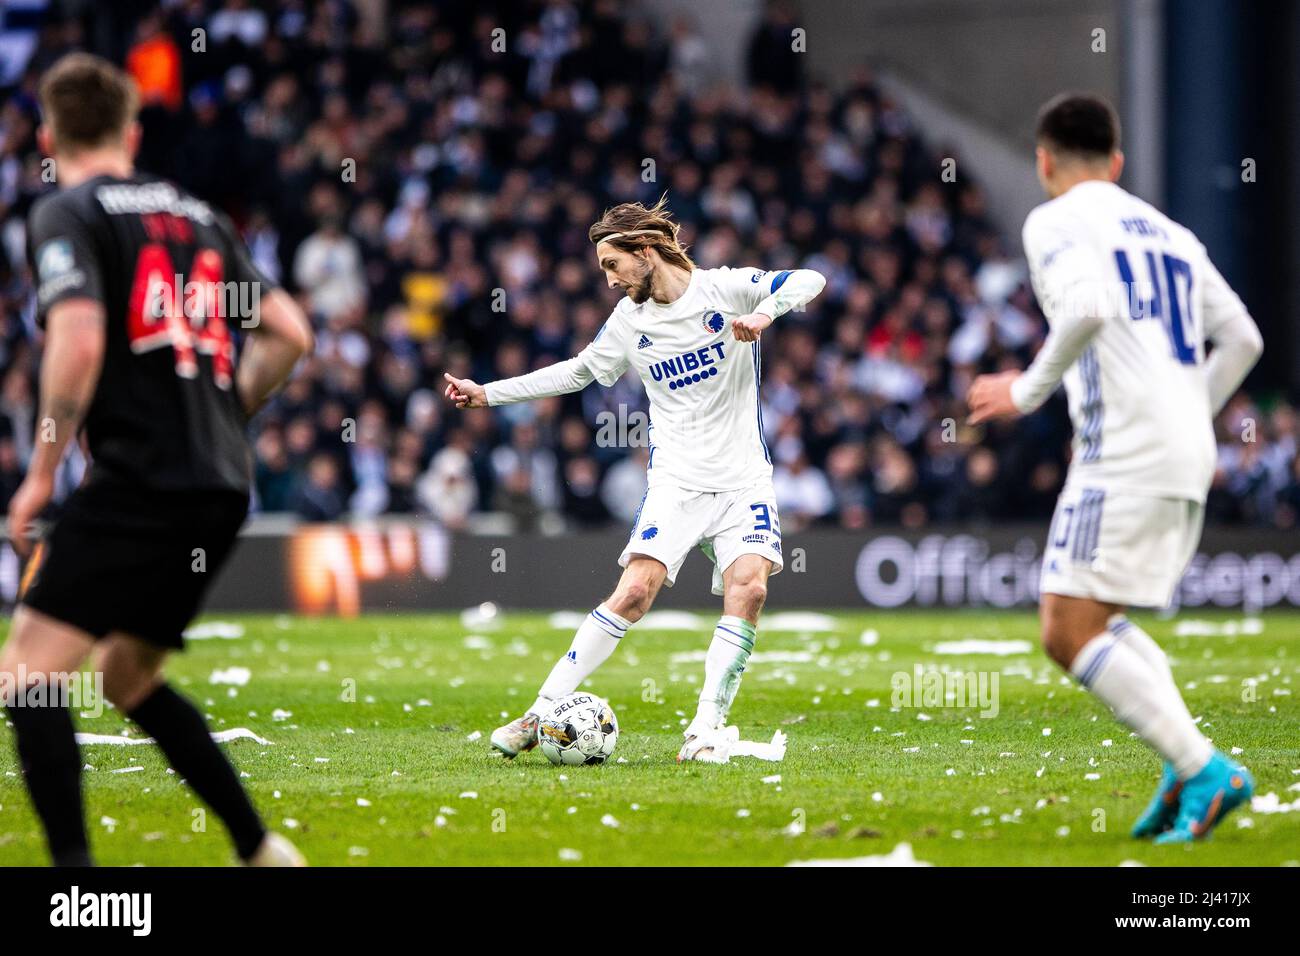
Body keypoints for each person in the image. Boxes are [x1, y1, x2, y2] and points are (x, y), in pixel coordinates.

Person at [0, 53, 314, 866]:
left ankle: (74, 880)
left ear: (48, 135)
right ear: (132, 132)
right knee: (126, 677)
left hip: (143, 476)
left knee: (29, 673)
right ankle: (260, 849)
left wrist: (40, 471)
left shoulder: (69, 212)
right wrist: (225, 410)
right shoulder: (198, 217)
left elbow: (77, 340)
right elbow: (290, 332)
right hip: (220, 482)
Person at [967, 93, 1264, 843]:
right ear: (1119, 162)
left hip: (1124, 450)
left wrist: (1024, 391)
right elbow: (1244, 340)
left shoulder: (1055, 220)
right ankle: (1182, 766)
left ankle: (1203, 766)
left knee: (1066, 627)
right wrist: (1186, 407)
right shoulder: (1170, 231)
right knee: (1103, 617)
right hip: (1184, 446)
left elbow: (1090, 307)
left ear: (1043, 161)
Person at [444, 196, 825, 761]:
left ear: (645, 251)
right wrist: (488, 393)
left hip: (745, 480)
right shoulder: (629, 323)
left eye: (612, 265)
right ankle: (537, 714)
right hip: (676, 481)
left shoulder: (726, 287)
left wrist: (765, 313)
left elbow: (811, 279)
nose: (610, 279)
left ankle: (704, 727)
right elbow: (576, 373)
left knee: (751, 589)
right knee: (634, 592)